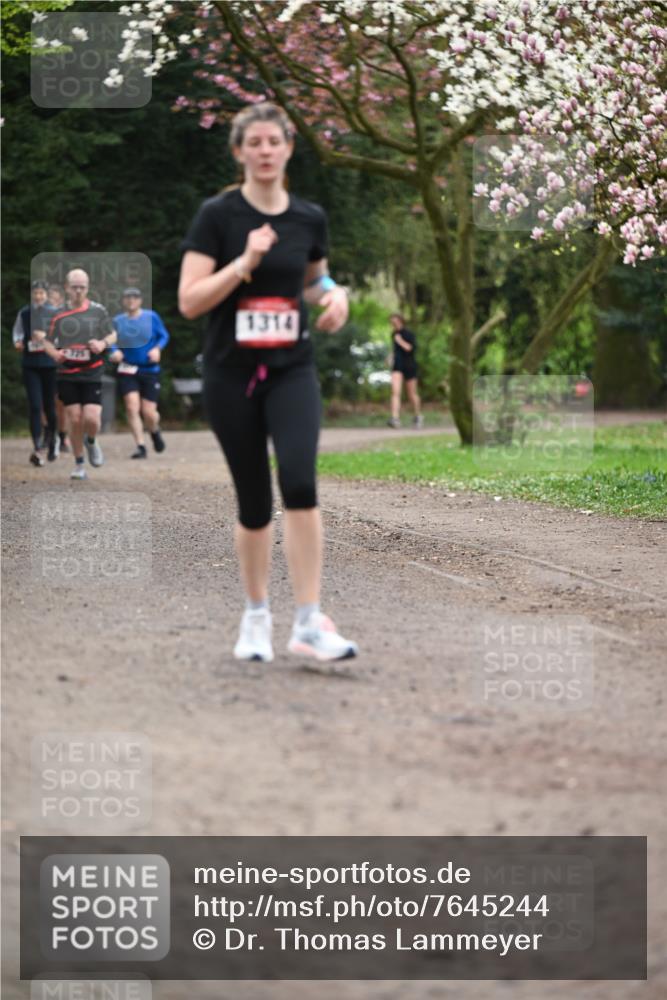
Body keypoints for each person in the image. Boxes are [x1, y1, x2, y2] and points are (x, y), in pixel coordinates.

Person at [179, 101, 358, 663]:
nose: (263, 151)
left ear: (287, 148)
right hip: (231, 374)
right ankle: (256, 615)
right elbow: (189, 301)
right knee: (255, 501)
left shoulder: (308, 217)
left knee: (300, 482)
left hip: (292, 369)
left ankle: (308, 620)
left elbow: (312, 279)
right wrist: (243, 263)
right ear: (238, 151)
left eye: (272, 142)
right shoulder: (218, 216)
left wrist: (335, 295)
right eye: (252, 143)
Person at [41, 268, 117, 480]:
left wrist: (102, 343)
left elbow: (112, 334)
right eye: (74, 287)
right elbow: (46, 341)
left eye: (82, 287)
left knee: (92, 419)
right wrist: (54, 353)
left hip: (92, 372)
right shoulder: (57, 314)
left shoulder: (98, 310)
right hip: (67, 373)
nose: (78, 291)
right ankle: (79, 464)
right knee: (74, 419)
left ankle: (91, 441)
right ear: (67, 288)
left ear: (88, 287)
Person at [110, 288, 169, 458]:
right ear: (123, 301)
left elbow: (164, 335)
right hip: (127, 368)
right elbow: (109, 340)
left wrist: (157, 349)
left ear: (140, 300)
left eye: (134, 297)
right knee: (131, 406)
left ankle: (154, 431)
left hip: (149, 369)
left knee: (149, 412)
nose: (131, 301)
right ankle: (141, 446)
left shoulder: (151, 317)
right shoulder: (118, 321)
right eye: (127, 298)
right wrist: (114, 351)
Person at [11, 280, 58, 466]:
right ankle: (37, 447)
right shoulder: (24, 313)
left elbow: (63, 336)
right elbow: (17, 332)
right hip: (30, 364)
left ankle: (52, 438)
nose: (38, 296)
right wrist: (17, 342)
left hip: (50, 365)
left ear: (46, 295)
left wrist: (45, 338)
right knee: (35, 406)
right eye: (35, 293)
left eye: (41, 293)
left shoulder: (54, 313)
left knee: (49, 406)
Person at [387, 312, 423, 429]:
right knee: (395, 391)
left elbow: (410, 348)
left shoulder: (409, 334)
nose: (393, 324)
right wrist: (390, 356)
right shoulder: (394, 334)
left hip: (409, 366)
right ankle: (395, 418)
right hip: (397, 366)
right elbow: (395, 349)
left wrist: (400, 341)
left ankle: (417, 415)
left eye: (395, 321)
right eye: (392, 322)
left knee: (412, 394)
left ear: (400, 321)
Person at [48, 283, 72, 454]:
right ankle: (47, 434)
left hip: (63, 363)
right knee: (45, 401)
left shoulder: (67, 316)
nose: (53, 301)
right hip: (44, 363)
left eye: (57, 298)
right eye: (51, 298)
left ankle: (63, 435)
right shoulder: (41, 316)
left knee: (62, 403)